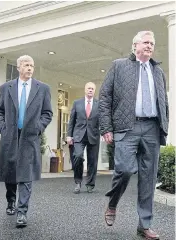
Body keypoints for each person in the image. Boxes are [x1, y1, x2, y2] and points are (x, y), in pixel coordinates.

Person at [99, 31, 169, 240]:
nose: (150, 46)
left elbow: (163, 101)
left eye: (152, 43)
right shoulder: (119, 66)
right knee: (125, 169)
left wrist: (164, 125)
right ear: (135, 45)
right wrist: (106, 128)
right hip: (126, 127)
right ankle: (112, 202)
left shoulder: (158, 71)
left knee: (148, 178)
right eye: (146, 42)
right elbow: (105, 97)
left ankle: (144, 225)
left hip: (151, 128)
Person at [0, 55, 53, 228]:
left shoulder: (42, 88)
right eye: (26, 65)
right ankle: (11, 200)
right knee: (10, 170)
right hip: (10, 135)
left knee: (26, 174)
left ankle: (22, 212)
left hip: (30, 136)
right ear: (19, 67)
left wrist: (38, 128)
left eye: (32, 66)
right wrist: (3, 129)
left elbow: (47, 113)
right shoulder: (6, 88)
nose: (30, 68)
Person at [67, 82, 100, 194]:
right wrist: (69, 135)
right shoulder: (77, 103)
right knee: (77, 156)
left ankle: (90, 184)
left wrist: (106, 132)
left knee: (92, 161)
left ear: (94, 91)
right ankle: (78, 181)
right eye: (88, 88)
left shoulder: (99, 104)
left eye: (92, 89)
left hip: (93, 135)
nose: (90, 90)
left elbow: (103, 120)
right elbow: (72, 120)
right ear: (85, 90)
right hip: (78, 135)